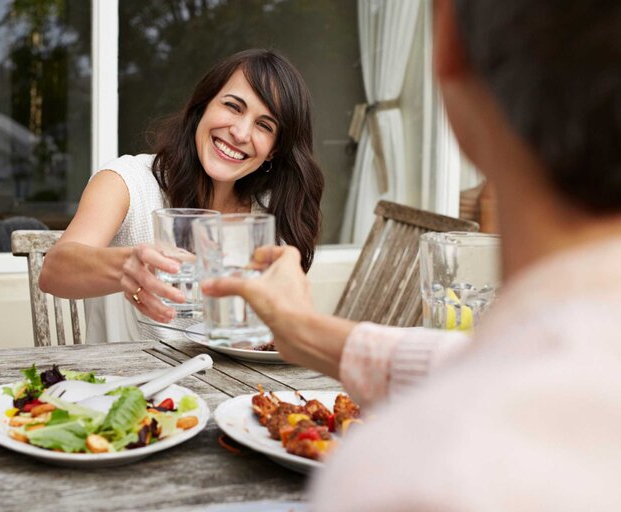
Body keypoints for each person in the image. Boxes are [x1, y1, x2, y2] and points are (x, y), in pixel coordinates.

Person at [202, 0, 621, 509]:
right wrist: (301, 327)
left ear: (448, 50)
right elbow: (474, 364)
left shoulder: (406, 475)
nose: (243, 131)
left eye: (266, 124)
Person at [39, 49, 323, 343]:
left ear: (274, 149)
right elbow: (54, 271)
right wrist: (127, 266)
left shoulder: (267, 219)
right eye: (233, 106)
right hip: (128, 385)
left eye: (264, 125)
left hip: (234, 388)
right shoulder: (128, 180)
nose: (240, 132)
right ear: (203, 107)